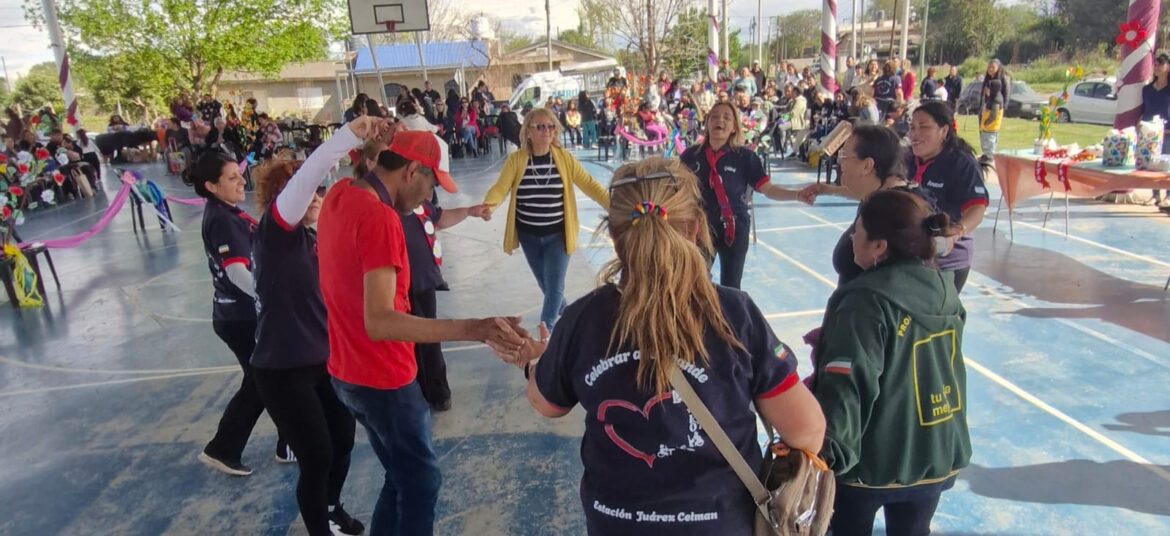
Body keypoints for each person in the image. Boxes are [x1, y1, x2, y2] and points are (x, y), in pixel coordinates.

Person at [517, 156, 826, 536]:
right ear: (695, 227)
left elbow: (548, 404)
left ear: (614, 235)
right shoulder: (733, 314)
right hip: (719, 525)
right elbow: (806, 430)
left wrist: (534, 364)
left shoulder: (583, 318)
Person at [317, 130, 527, 535]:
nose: (429, 197)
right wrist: (475, 328)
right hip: (384, 380)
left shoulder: (339, 195)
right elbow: (380, 321)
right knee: (420, 483)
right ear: (412, 170)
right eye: (431, 184)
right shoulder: (380, 218)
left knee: (400, 478)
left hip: (345, 372)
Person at [248, 116, 390, 536]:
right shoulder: (274, 234)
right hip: (282, 369)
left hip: (323, 361)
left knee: (343, 440)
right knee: (316, 455)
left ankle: (330, 508)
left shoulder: (315, 237)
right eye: (305, 190)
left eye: (318, 192)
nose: (314, 195)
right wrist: (348, 135)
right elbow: (310, 175)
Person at [811, 188, 970, 536]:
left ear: (879, 246)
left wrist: (826, 452)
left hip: (871, 464)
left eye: (857, 231)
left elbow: (849, 382)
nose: (852, 238)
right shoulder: (945, 290)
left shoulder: (865, 299)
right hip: (935, 455)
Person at [183, 151, 291, 476]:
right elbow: (236, 272)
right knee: (266, 380)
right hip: (240, 318)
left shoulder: (227, 212)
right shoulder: (222, 220)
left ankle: (276, 444)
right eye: (231, 178)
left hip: (239, 315)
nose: (240, 181)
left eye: (238, 174)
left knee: (266, 379)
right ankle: (226, 448)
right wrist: (269, 297)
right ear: (211, 186)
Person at [482, 107, 610, 328]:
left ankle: (546, 332)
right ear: (528, 132)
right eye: (540, 127)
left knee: (554, 288)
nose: (547, 131)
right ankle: (571, 317)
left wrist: (613, 205)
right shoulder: (517, 160)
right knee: (548, 287)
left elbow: (589, 184)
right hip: (529, 237)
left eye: (551, 126)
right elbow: (501, 187)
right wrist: (489, 205)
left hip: (558, 236)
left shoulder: (564, 159)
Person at [679, 101, 810, 290]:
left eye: (727, 117)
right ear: (707, 124)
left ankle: (730, 310)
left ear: (734, 127)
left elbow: (768, 189)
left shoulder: (745, 157)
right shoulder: (690, 156)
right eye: (714, 117)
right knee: (695, 283)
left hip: (735, 227)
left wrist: (797, 195)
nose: (720, 120)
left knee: (732, 285)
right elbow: (675, 189)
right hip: (701, 227)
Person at [906, 101, 989, 292]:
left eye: (924, 127)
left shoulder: (961, 163)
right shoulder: (906, 159)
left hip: (947, 261)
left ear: (944, 131)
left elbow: (977, 207)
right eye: (912, 127)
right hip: (912, 256)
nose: (915, 134)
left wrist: (956, 231)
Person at [1141, 52, 1170, 209]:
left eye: (1161, 64)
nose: (1157, 67)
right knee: (1152, 165)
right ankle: (1155, 195)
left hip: (1167, 133)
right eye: (1155, 64)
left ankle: (1168, 196)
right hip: (1150, 135)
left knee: (1167, 166)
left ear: (1168, 67)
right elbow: (1144, 110)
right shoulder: (1147, 89)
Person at [978, 59, 1010, 158]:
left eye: (993, 67)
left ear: (998, 68)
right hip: (986, 107)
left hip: (995, 107)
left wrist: (1002, 108)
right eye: (989, 67)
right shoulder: (988, 79)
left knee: (990, 132)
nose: (990, 69)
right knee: (983, 131)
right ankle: (985, 153)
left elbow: (1006, 94)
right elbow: (983, 94)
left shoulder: (1002, 79)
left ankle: (990, 154)